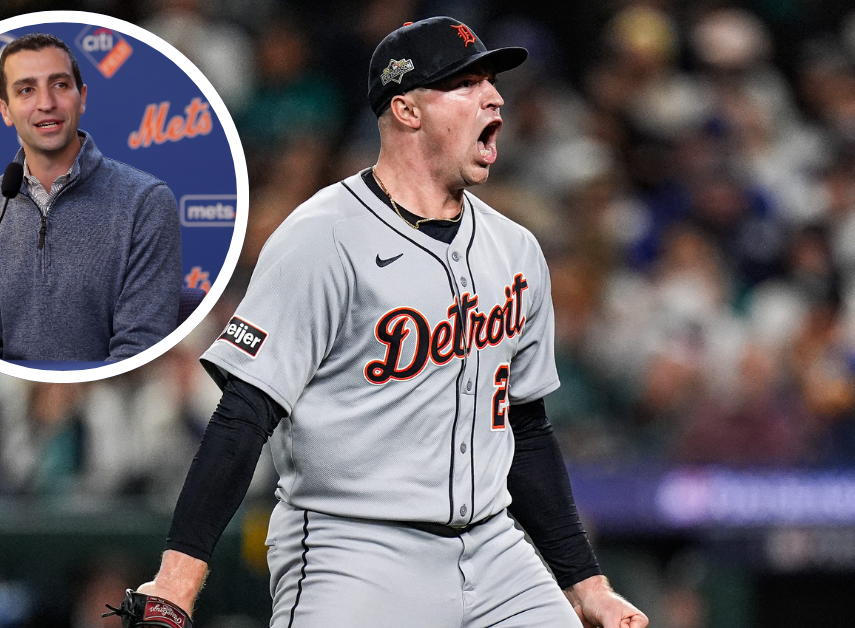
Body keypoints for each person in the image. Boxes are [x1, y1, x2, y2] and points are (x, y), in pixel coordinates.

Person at [127, 17, 648, 628]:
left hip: (495, 548)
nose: (495, 97)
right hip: (355, 550)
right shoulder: (322, 236)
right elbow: (243, 415)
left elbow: (526, 431)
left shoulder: (517, 249)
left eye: (492, 81)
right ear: (406, 110)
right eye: (467, 83)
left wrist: (587, 586)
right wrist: (178, 579)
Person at [0, 33, 182, 362]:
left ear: (82, 98)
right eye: (26, 90)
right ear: (5, 110)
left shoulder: (146, 202)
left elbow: (139, 349)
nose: (46, 102)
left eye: (59, 85)